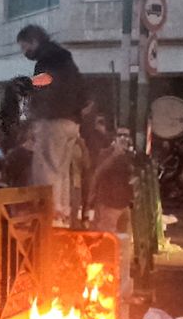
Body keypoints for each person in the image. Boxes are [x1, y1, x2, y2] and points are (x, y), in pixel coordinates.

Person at [16, 24, 85, 223]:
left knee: (46, 168)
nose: (24, 52)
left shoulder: (46, 59)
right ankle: (62, 214)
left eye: (24, 47)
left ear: (34, 41)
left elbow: (46, 82)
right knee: (62, 171)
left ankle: (50, 216)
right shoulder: (65, 58)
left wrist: (29, 88)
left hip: (54, 120)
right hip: (72, 122)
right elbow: (81, 88)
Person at [87, 127, 135, 232]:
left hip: (125, 203)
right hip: (108, 202)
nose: (123, 138)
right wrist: (114, 155)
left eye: (126, 135)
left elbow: (134, 177)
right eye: (120, 135)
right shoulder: (105, 153)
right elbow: (98, 172)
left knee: (125, 235)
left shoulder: (131, 156)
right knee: (106, 234)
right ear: (115, 138)